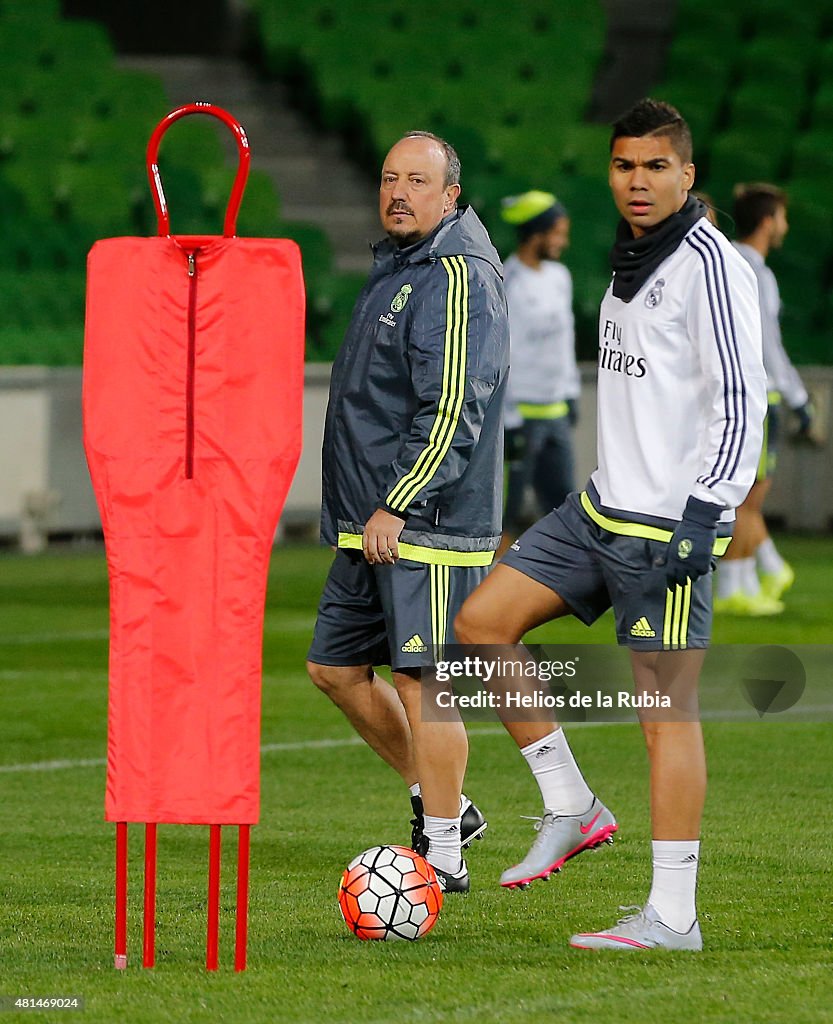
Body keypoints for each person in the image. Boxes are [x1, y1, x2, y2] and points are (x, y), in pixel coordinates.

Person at [455, 99, 766, 949]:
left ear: (686, 175)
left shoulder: (712, 265)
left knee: (664, 714)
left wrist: (710, 511)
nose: (638, 181)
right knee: (481, 625)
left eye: (655, 167)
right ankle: (572, 804)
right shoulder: (632, 257)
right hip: (597, 508)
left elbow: (740, 397)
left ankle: (673, 916)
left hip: (664, 530)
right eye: (625, 165)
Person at [306, 131, 509, 892]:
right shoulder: (401, 263)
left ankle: (443, 859)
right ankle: (441, 804)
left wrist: (400, 501)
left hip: (424, 521)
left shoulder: (455, 274)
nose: (398, 192)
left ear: (451, 196)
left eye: (417, 182)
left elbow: (454, 404)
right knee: (333, 669)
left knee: (422, 683)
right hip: (374, 520)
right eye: (390, 178)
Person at [714, 183, 813, 616]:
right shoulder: (755, 271)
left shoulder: (728, 261)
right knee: (749, 497)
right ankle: (734, 586)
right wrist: (798, 397)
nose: (785, 226)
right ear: (769, 220)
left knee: (744, 496)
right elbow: (769, 346)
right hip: (758, 394)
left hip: (735, 392)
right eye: (783, 217)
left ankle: (753, 576)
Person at [499, 192, 580, 547]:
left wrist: (571, 391)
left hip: (556, 411)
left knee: (564, 506)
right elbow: (503, 353)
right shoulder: (507, 280)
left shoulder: (560, 276)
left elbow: (566, 340)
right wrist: (509, 416)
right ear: (536, 234)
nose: (564, 242)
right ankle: (486, 586)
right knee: (507, 510)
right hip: (521, 415)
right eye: (558, 233)